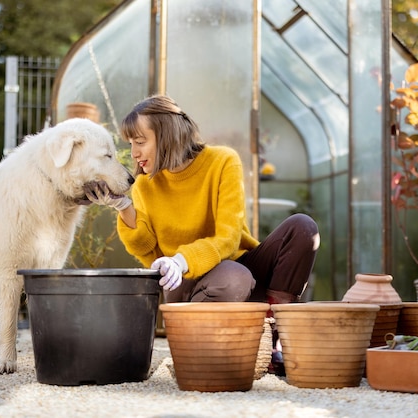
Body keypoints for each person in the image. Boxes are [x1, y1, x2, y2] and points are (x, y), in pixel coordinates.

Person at [83, 94, 320, 374]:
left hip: (232, 268)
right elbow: (148, 251)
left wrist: (183, 258)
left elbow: (229, 237)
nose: (134, 152)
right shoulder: (146, 185)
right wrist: (124, 207)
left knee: (303, 228)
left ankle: (271, 339)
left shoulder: (222, 162)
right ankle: (206, 347)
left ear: (166, 134)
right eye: (131, 143)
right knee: (234, 277)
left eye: (139, 141)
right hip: (191, 286)